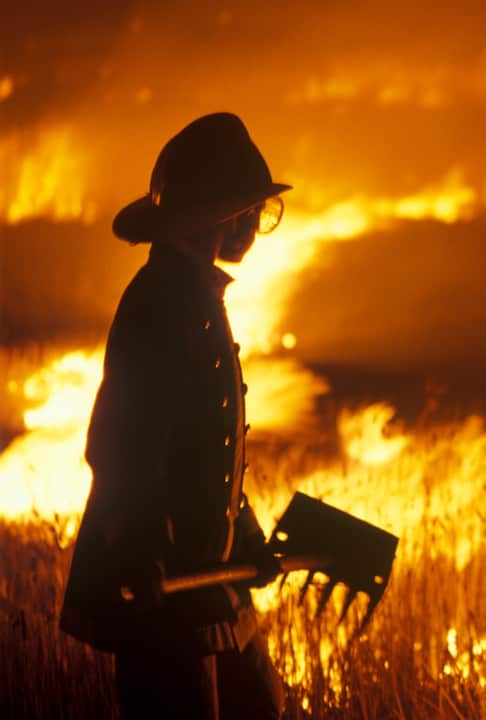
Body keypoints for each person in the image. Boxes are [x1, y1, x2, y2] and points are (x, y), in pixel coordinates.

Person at [60, 112, 291, 719]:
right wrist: (141, 552)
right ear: (208, 215)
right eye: (242, 210)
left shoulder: (197, 296)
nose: (250, 226)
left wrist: (246, 537)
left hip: (213, 579)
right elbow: (117, 446)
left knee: (262, 704)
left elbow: (207, 450)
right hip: (164, 593)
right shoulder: (159, 304)